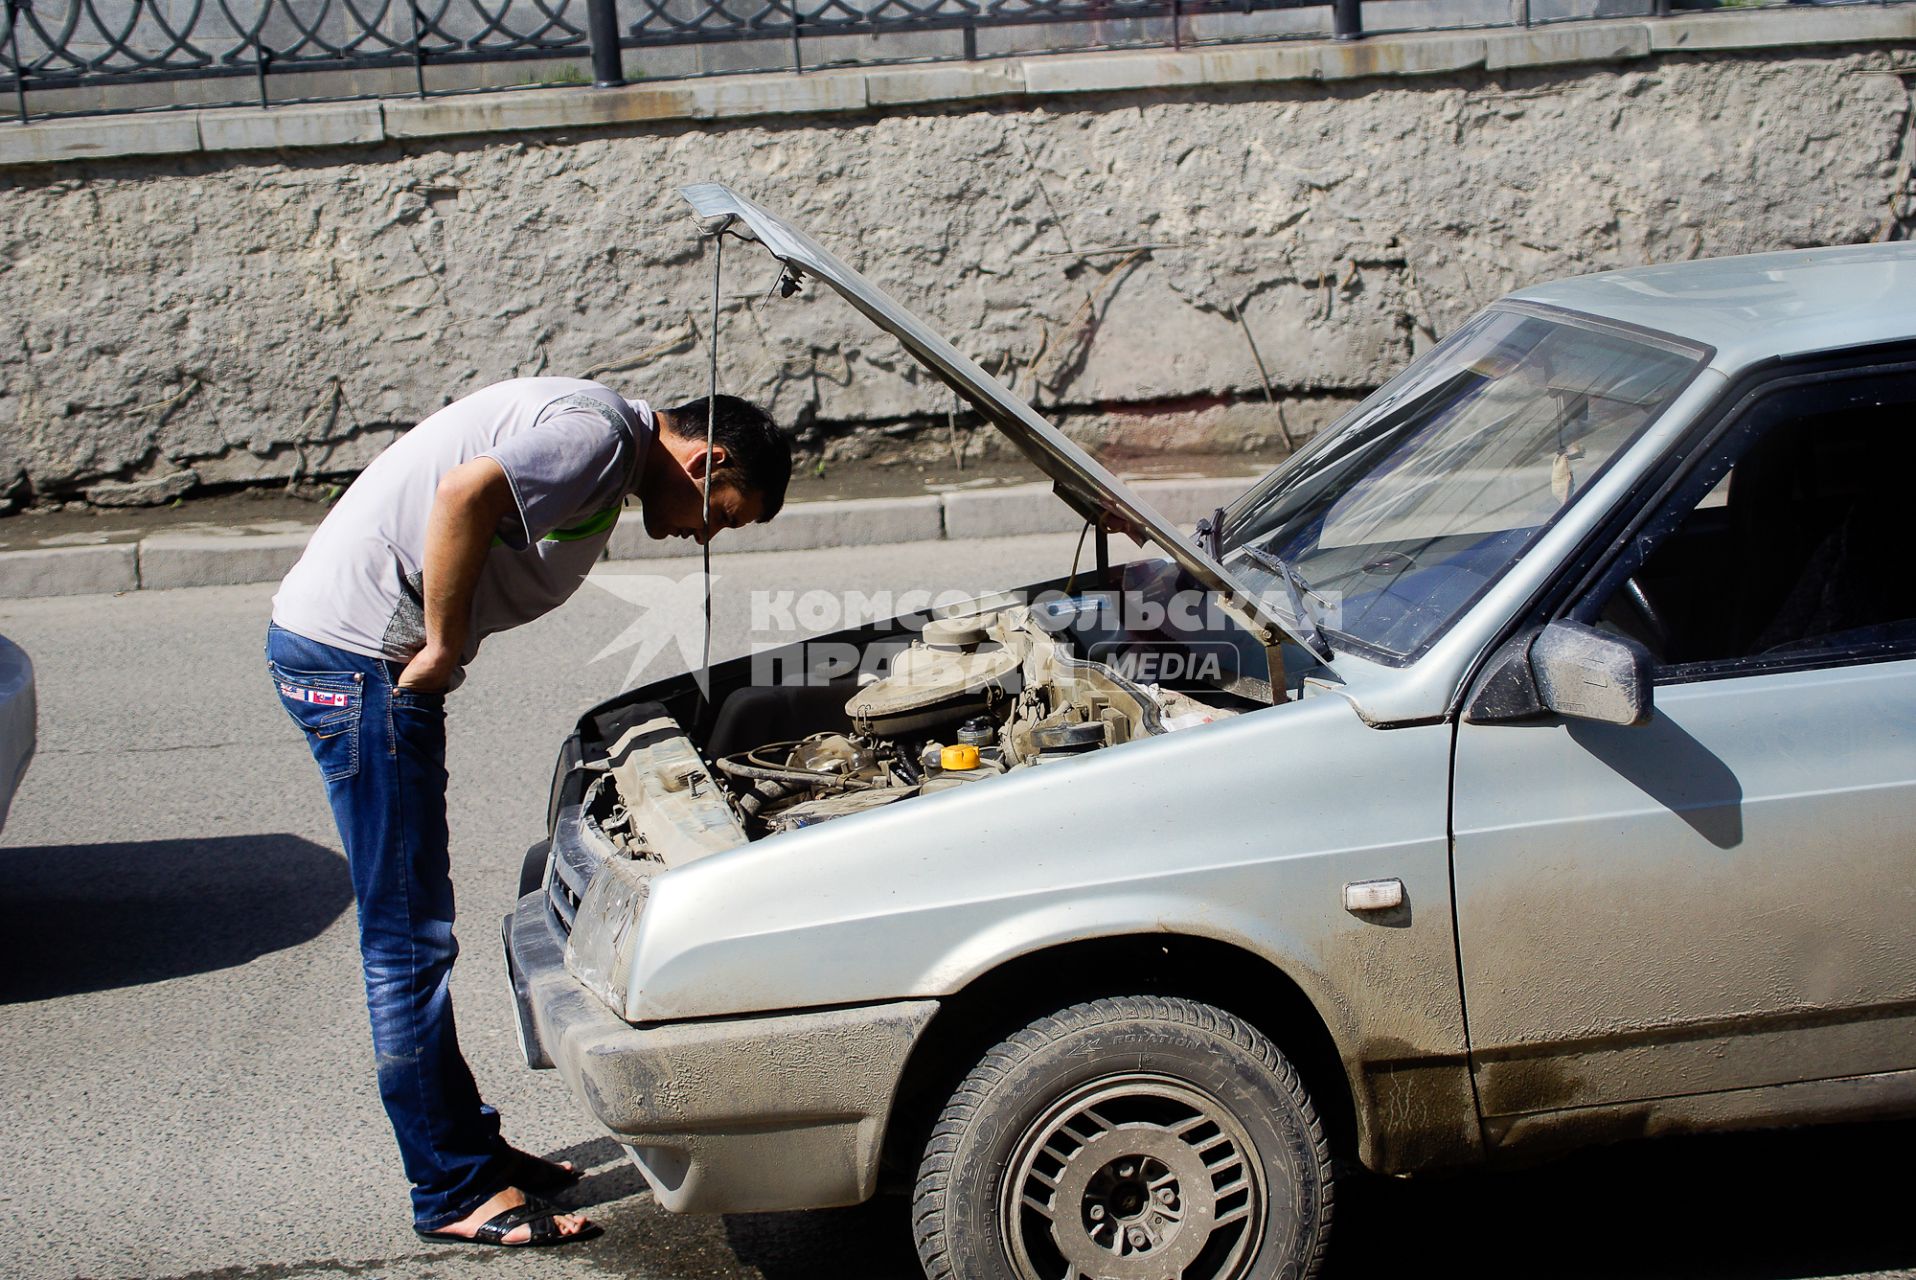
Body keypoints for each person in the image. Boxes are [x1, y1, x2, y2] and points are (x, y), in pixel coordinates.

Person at [264, 377, 790, 1247]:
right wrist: (439, 645)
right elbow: (465, 490)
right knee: (406, 941)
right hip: (360, 668)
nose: (709, 533)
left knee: (417, 934)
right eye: (726, 514)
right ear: (709, 461)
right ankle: (449, 1189)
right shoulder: (599, 440)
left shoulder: (602, 435)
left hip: (349, 655)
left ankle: (470, 1149)